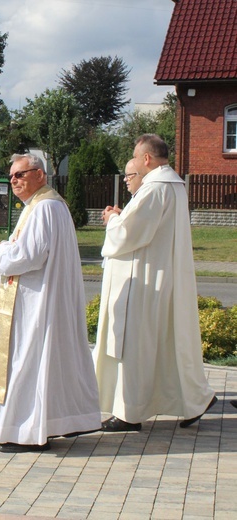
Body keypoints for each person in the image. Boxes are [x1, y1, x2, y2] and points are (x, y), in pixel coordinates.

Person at [0, 153, 101, 453]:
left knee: (28, 362)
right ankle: (41, 425)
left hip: (35, 304)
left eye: (20, 174)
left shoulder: (45, 208)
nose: (13, 180)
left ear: (40, 174)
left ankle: (26, 431)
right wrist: (8, 248)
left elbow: (29, 256)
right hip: (34, 299)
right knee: (34, 363)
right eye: (11, 176)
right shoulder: (41, 206)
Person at [94, 134, 217, 432]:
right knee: (166, 347)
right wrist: (124, 220)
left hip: (145, 281)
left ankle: (129, 413)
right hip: (160, 274)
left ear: (146, 159)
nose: (133, 164)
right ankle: (195, 398)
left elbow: (127, 235)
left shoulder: (154, 188)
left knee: (135, 346)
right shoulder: (172, 185)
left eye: (135, 158)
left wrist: (112, 219)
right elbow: (143, 228)